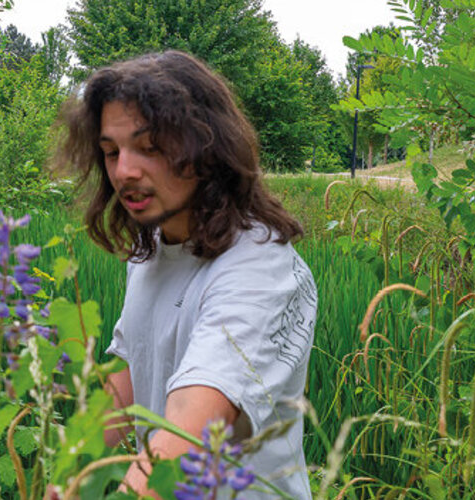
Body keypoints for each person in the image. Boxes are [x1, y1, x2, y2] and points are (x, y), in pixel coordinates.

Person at [57, 50, 317, 499]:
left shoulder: (259, 267)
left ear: (206, 148)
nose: (123, 171)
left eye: (149, 148)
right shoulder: (155, 250)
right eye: (111, 152)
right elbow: (129, 377)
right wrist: (71, 476)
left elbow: (188, 433)